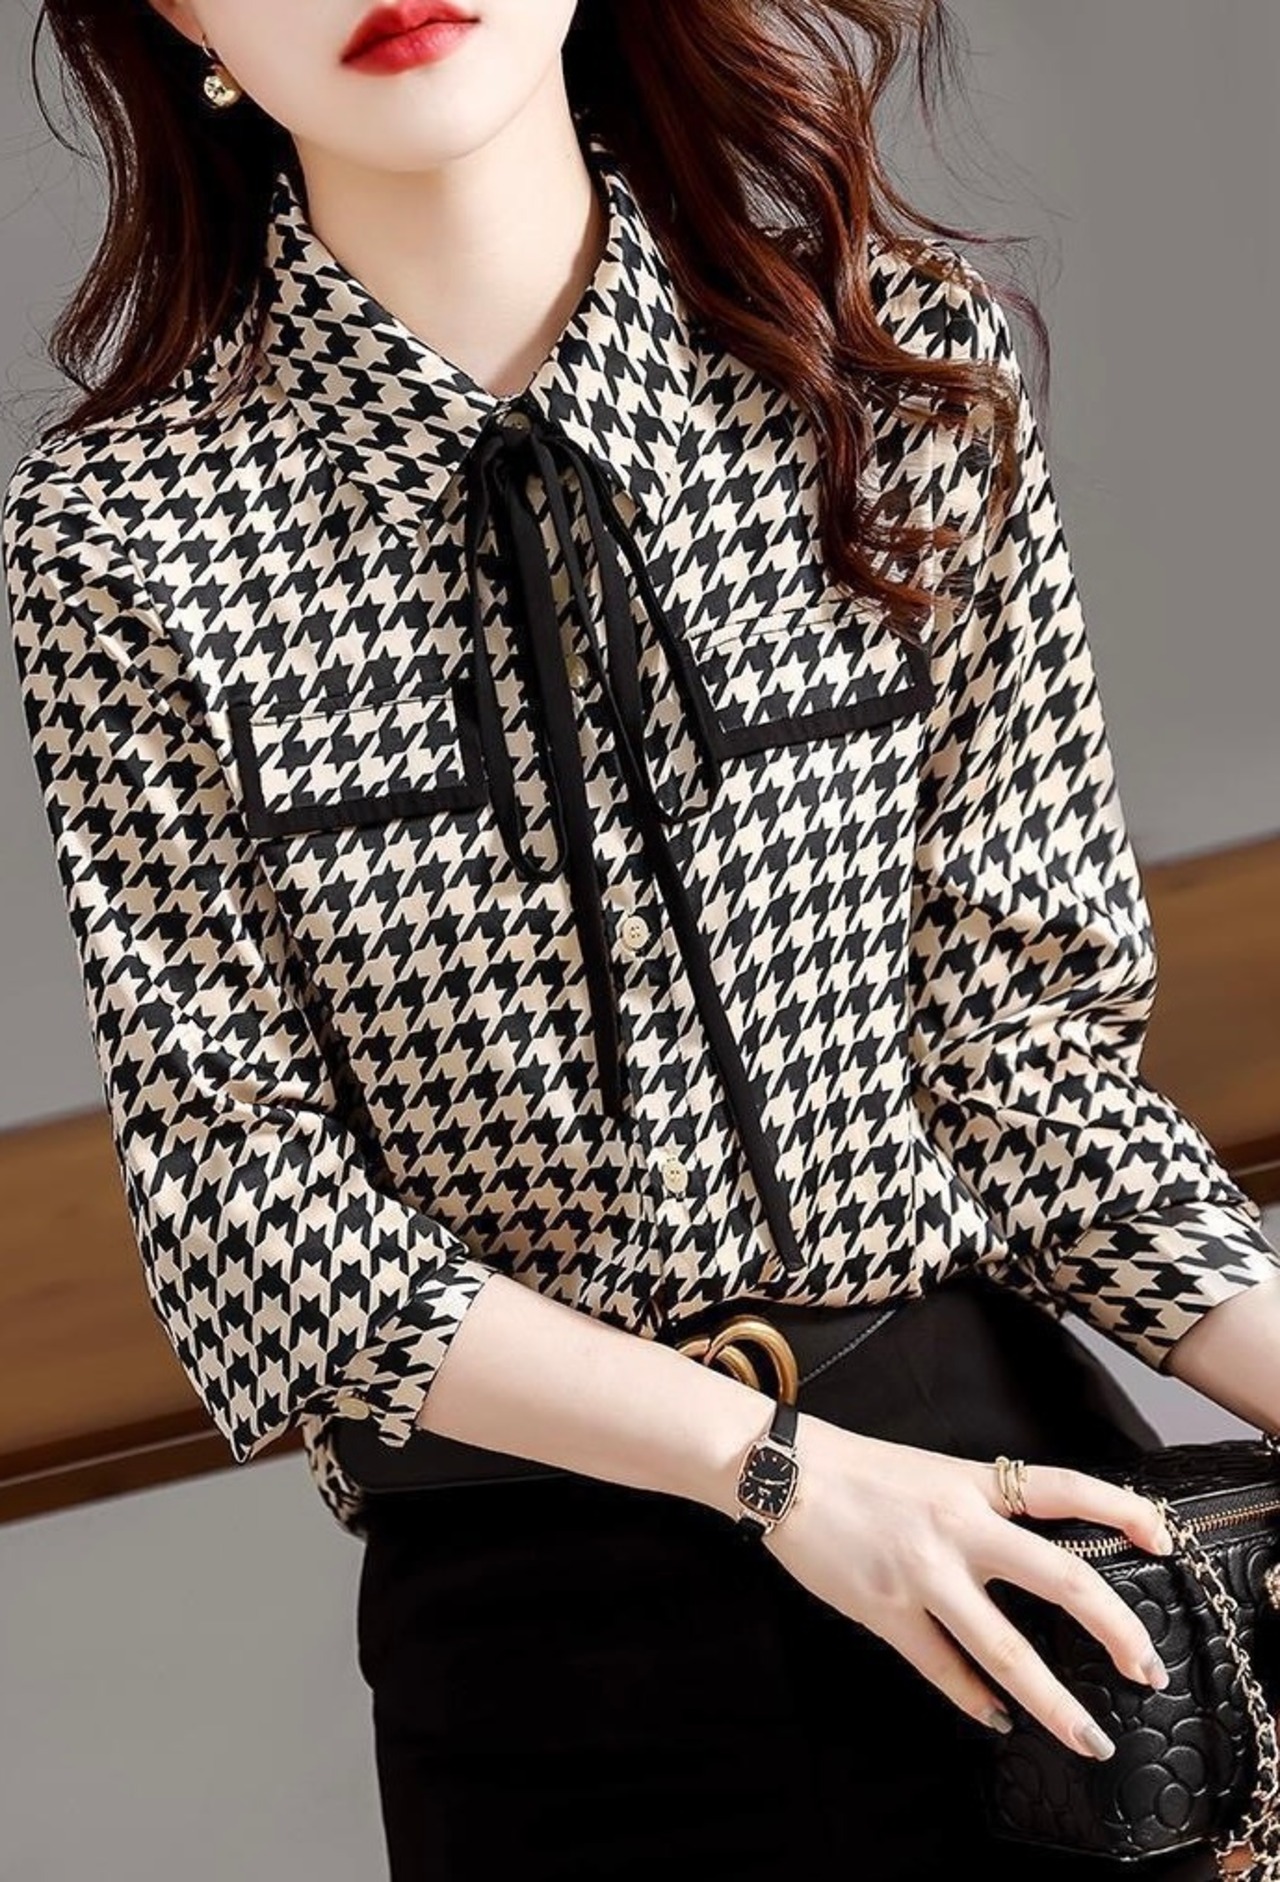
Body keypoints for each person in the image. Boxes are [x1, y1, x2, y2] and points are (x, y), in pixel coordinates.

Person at [4, 2, 1279, 1877]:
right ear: (179, 16)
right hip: (544, 1652)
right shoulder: (123, 541)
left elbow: (1021, 1065)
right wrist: (775, 1475)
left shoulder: (892, 372)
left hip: (1014, 1563)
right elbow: (246, 1209)